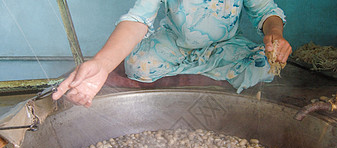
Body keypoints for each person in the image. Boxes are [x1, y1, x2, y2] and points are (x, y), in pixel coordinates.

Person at [52, 0, 292, 107]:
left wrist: (275, 34)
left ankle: (196, 70)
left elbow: (266, 12)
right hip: (173, 44)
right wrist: (102, 64)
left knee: (265, 64)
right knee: (137, 64)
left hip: (224, 47)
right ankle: (202, 72)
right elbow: (138, 19)